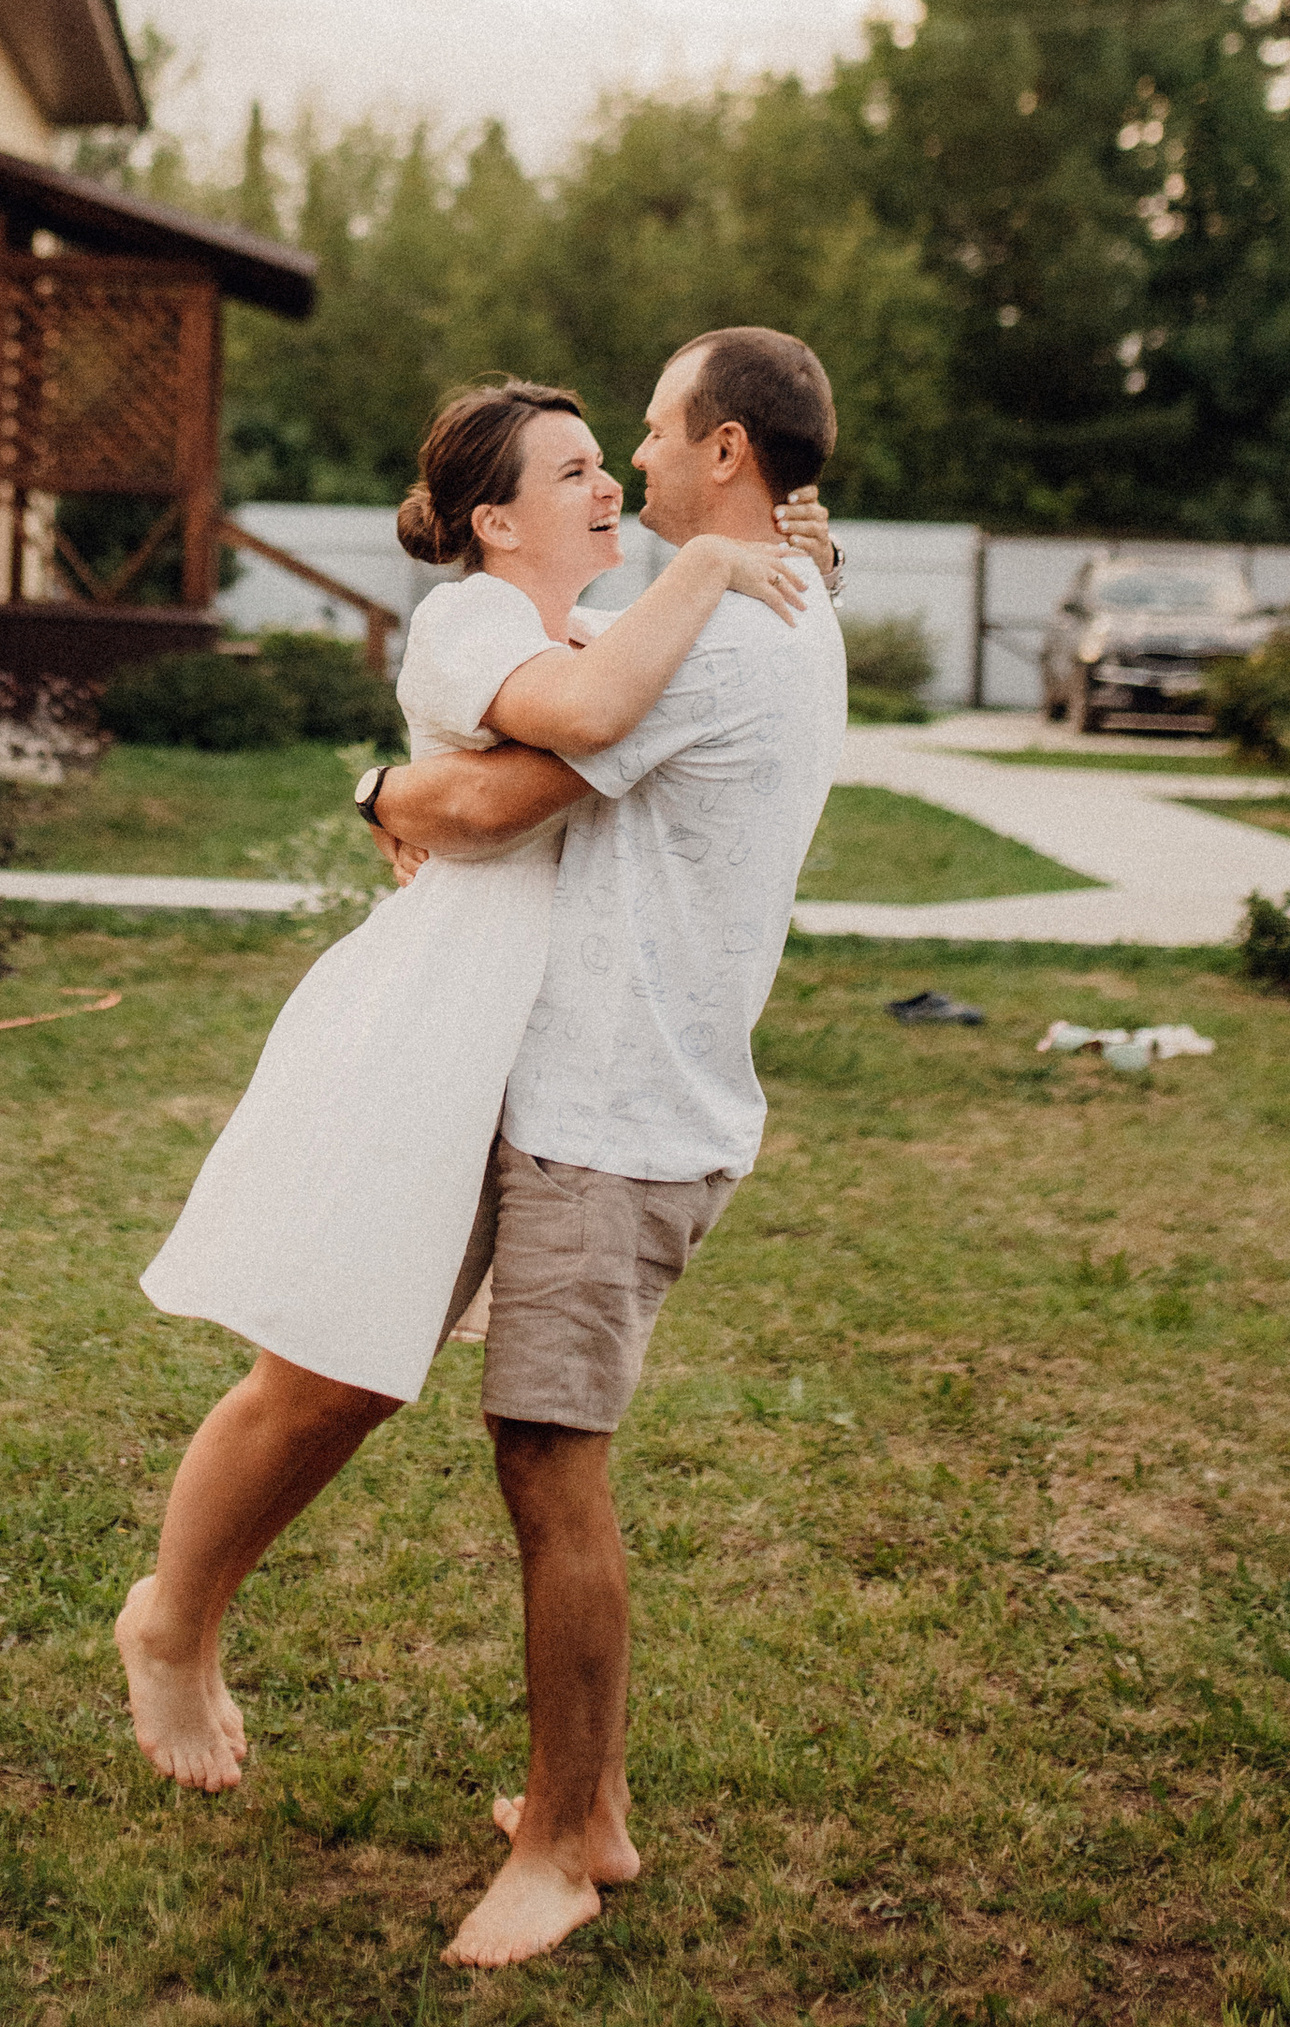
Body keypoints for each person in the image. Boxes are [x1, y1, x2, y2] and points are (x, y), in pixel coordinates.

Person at [117, 374, 833, 1797]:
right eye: (575, 471)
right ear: (496, 519)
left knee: (357, 1378)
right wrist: (391, 785)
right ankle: (172, 1621)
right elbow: (526, 775)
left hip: (535, 1058)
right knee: (322, 1371)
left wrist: (786, 555)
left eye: (610, 455)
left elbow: (636, 679)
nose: (612, 481)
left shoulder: (595, 623)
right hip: (432, 1030)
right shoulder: (474, 621)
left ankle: (184, 1618)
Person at [372, 326, 848, 1968]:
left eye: (650, 434)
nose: (633, 464)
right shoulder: (774, 598)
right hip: (638, 1092)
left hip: (617, 1111)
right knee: (542, 1452)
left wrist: (382, 788)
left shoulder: (721, 633)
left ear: (726, 449)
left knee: (547, 1461)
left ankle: (566, 1843)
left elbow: (495, 805)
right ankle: (599, 1802)